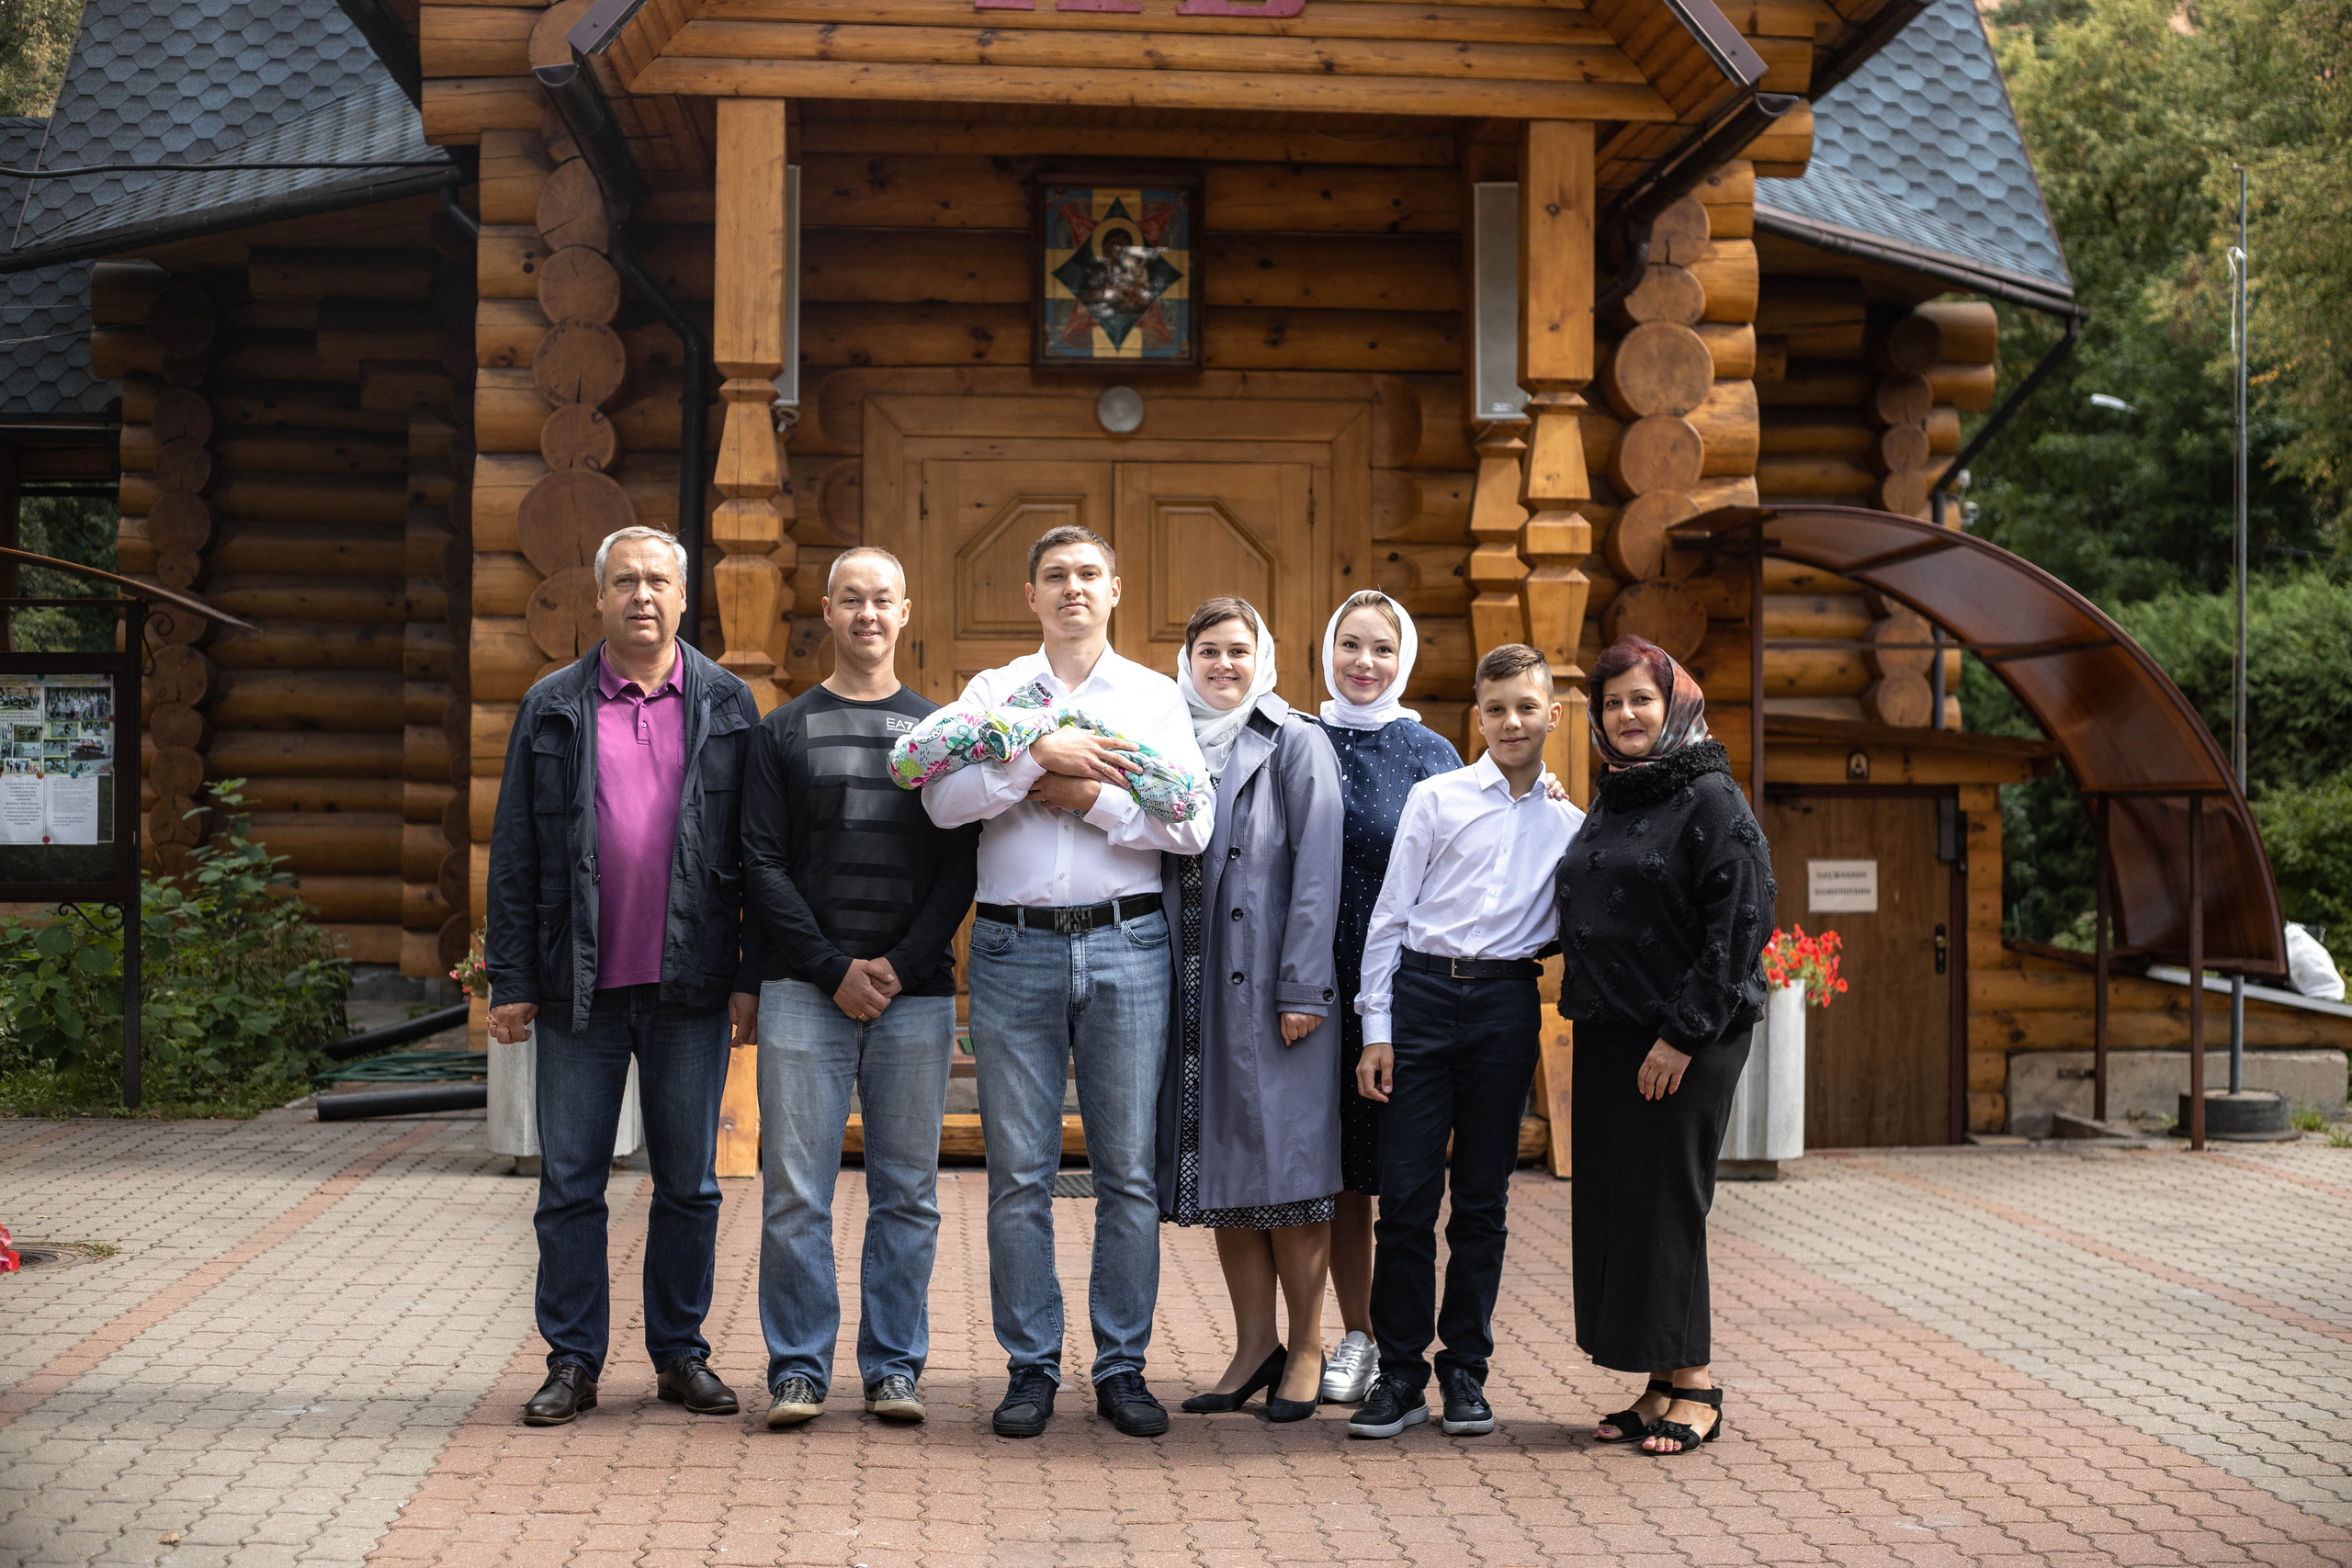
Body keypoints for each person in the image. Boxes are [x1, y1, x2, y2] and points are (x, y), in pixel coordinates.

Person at [911, 524, 1212, 1439]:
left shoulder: (1155, 697)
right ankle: (1031, 1366)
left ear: (1115, 589)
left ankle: (1121, 1366)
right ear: (1031, 595)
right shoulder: (995, 694)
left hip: (1128, 945)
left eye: (1088, 574)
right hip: (1014, 951)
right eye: (1055, 575)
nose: (1072, 587)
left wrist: (1096, 798)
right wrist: (1033, 760)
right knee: (1019, 1174)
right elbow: (940, 801)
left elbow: (1192, 823)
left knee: (1126, 1171)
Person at [485, 525, 762, 1427]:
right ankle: (573, 1360)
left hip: (691, 983)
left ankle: (680, 1355)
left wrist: (750, 974)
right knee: (571, 1184)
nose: (643, 595)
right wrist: (511, 979)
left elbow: (758, 851)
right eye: (626, 581)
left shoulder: (729, 703)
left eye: (658, 581)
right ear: (600, 597)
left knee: (690, 1184)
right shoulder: (552, 705)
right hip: (579, 989)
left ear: (683, 597)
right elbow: (516, 850)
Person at [741, 547, 979, 1431]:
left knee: (907, 1193)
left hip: (914, 997)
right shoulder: (783, 729)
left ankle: (892, 1368)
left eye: (882, 599)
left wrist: (899, 966)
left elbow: (962, 866)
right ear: (828, 612)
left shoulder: (938, 734)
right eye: (851, 599)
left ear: (904, 611)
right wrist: (831, 969)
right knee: (794, 1192)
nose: (867, 614)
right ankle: (799, 1370)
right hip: (805, 992)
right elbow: (760, 863)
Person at [1345, 643, 1584, 1441]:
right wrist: (1376, 1030)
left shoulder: (1570, 826)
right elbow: (1389, 917)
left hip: (1506, 1006)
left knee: (1483, 1201)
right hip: (1420, 996)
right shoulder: (1436, 798)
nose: (1512, 722)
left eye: (1526, 707)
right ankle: (1400, 1373)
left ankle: (1465, 1369)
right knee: (1406, 1198)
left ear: (1552, 715)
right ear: (1477, 717)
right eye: (1496, 709)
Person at [1558, 635, 1774, 1456]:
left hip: (1685, 1036)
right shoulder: (1616, 791)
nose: (1626, 713)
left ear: (1674, 702)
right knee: (1626, 1207)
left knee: (1668, 1204)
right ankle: (1659, 1380)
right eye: (1612, 702)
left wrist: (1681, 1036)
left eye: (1640, 698)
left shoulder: (1710, 794)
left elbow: (1745, 918)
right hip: (1612, 1032)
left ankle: (1699, 1386)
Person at [1157, 598, 1345, 1421]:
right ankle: (1253, 1346)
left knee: (1289, 1176)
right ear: (1187, 659)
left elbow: (1319, 870)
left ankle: (1307, 1347)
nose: (1224, 664)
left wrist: (1302, 987)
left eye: (1238, 649)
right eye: (1209, 650)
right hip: (1195, 988)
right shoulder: (1168, 737)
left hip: (1275, 994)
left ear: (1261, 656)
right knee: (1226, 1173)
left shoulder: (1297, 740)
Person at [1308, 592, 1462, 1405]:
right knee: (1336, 1172)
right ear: (1327, 649)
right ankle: (1353, 1335)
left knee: (1396, 1173)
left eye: (1381, 648)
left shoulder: (1431, 752)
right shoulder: (1297, 738)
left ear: (1404, 660)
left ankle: (1403, 1347)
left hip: (1401, 989)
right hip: (1309, 981)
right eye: (1350, 644)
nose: (1364, 663)